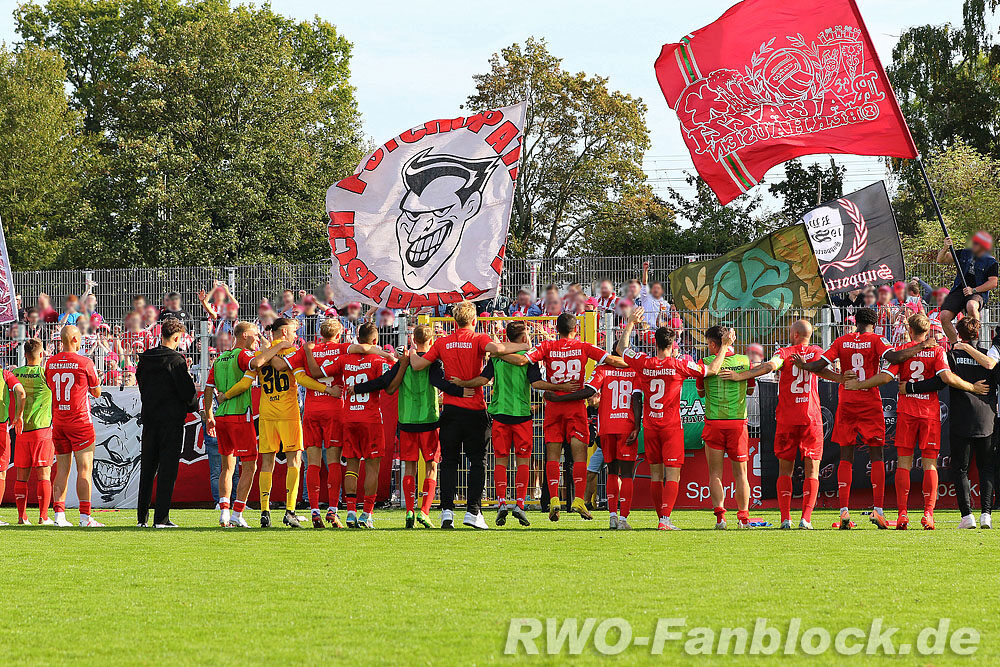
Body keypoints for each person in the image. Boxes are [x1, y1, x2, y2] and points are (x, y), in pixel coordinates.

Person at [794, 307, 932, 529]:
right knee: (876, 453)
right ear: (875, 323)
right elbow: (895, 357)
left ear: (855, 321)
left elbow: (820, 365)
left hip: (847, 401)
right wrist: (921, 346)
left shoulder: (841, 340)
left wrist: (803, 365)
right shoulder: (877, 339)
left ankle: (844, 513)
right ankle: (878, 511)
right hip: (869, 401)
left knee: (845, 454)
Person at [846, 313, 984, 529]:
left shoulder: (903, 353)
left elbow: (885, 378)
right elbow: (947, 378)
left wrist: (859, 385)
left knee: (904, 464)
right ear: (928, 331)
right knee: (930, 464)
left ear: (909, 330)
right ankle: (928, 514)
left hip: (907, 413)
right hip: (929, 413)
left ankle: (902, 514)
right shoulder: (936, 350)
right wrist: (973, 387)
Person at [408, 300, 529, 529]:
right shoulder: (479, 339)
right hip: (475, 409)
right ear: (475, 320)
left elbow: (418, 365)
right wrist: (525, 346)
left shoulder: (443, 342)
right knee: (477, 462)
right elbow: (499, 350)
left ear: (454, 321)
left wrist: (412, 353)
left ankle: (446, 512)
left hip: (451, 410)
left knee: (449, 462)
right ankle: (473, 512)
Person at [720, 320, 843, 530]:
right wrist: (842, 379)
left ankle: (786, 518)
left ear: (793, 334)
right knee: (812, 470)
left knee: (785, 470)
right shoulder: (816, 351)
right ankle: (806, 519)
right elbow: (823, 371)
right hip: (811, 418)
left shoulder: (784, 352)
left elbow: (769, 366)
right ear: (809, 335)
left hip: (787, 418)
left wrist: (740, 376)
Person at [615, 307, 730, 529]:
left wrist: (630, 323)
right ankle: (665, 519)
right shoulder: (679, 365)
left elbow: (622, 348)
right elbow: (712, 370)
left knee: (656, 474)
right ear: (673, 344)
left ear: (655, 343)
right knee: (673, 474)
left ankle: (662, 518)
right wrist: (724, 346)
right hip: (670, 426)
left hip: (649, 426)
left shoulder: (644, 362)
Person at [454, 320, 576, 527]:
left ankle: (502, 503)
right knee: (523, 462)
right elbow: (537, 384)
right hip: (521, 415)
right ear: (521, 338)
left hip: (500, 414)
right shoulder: (528, 359)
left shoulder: (497, 358)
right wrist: (560, 386)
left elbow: (483, 380)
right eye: (527, 334)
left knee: (500, 461)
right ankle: (519, 504)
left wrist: (462, 383)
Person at [225, 318, 339, 528]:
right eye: (295, 332)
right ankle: (289, 511)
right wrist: (327, 389)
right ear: (285, 332)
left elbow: (245, 382)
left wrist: (225, 395)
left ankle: (265, 512)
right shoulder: (291, 352)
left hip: (267, 414)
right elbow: (302, 379)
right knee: (294, 461)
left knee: (266, 463)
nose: (297, 336)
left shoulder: (261, 355)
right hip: (288, 414)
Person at [519, 312, 629, 522]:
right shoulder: (584, 347)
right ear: (575, 329)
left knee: (552, 455)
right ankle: (578, 499)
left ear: (557, 329)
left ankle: (553, 499)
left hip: (553, 406)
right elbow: (612, 359)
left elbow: (524, 360)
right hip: (575, 407)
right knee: (579, 456)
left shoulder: (548, 346)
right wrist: (635, 365)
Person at [903, 317, 996, 529]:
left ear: (959, 334)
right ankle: (986, 516)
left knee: (961, 469)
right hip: (986, 419)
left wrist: (911, 388)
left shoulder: (952, 355)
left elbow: (940, 380)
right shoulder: (988, 356)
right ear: (978, 334)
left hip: (962, 419)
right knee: (986, 468)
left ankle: (967, 517)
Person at [299, 318, 389, 528]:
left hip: (316, 411)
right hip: (342, 412)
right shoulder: (343, 350)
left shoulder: (326, 354)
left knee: (315, 463)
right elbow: (387, 381)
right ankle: (343, 511)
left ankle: (322, 510)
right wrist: (387, 354)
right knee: (340, 463)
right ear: (339, 335)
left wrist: (308, 351)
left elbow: (308, 375)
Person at [547, 355, 640, 529]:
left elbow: (589, 391)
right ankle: (624, 519)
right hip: (626, 426)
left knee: (612, 472)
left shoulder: (602, 369)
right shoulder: (635, 369)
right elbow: (636, 399)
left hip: (607, 427)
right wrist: (637, 426)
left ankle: (612, 516)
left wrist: (559, 398)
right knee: (626, 474)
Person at [135, 318, 199, 528]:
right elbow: (187, 392)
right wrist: (191, 406)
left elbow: (142, 385)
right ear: (177, 337)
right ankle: (161, 518)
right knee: (167, 470)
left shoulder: (145, 359)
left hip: (150, 419)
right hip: (171, 421)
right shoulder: (176, 360)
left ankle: (141, 518)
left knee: (147, 469)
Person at [204, 321, 260, 528]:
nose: (257, 338)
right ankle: (237, 512)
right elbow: (257, 364)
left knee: (227, 467)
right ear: (244, 335)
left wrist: (209, 414)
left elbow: (208, 388)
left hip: (221, 418)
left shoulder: (219, 359)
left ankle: (224, 511)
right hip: (239, 416)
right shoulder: (243, 355)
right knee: (250, 465)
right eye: (255, 335)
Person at [46, 325, 103, 527]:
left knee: (61, 470)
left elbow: (50, 386)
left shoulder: (50, 363)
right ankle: (85, 517)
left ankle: (59, 516)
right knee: (84, 470)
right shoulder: (84, 362)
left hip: (59, 422)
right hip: (80, 422)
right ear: (75, 339)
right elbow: (96, 392)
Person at [12, 339, 51, 525]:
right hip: (41, 430)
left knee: (21, 477)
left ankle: (22, 517)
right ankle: (43, 517)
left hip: (21, 430)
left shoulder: (15, 373)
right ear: (41, 354)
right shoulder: (46, 374)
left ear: (25, 355)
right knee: (44, 475)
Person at [937, 232, 998, 343]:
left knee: (971, 306)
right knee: (944, 316)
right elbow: (940, 260)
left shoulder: (991, 261)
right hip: (959, 290)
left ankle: (974, 342)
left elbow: (993, 283)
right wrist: (945, 248)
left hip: (977, 292)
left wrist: (973, 290)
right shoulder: (964, 253)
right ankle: (955, 344)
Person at [0, 362, 26, 525]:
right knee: (1, 472)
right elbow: (21, 392)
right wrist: (19, 415)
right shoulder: (5, 375)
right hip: (1, 427)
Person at [638, 261, 667, 328]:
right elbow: (644, 283)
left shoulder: (664, 302)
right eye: (654, 288)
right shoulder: (646, 297)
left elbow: (667, 319)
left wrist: (663, 316)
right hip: (645, 329)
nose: (656, 290)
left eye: (658, 288)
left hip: (658, 331)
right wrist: (645, 270)